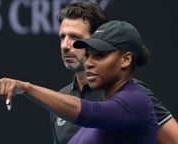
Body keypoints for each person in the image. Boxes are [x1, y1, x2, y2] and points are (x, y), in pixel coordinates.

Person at [0, 20, 158, 143]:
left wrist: (26, 88)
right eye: (88, 54)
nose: (89, 62)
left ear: (125, 60)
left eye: (100, 55)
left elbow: (90, 113)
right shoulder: (97, 122)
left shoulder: (136, 100)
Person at [51, 2, 178, 144]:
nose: (65, 46)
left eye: (75, 37)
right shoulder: (61, 97)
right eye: (62, 37)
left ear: (96, 41)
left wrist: (27, 88)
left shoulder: (131, 94)